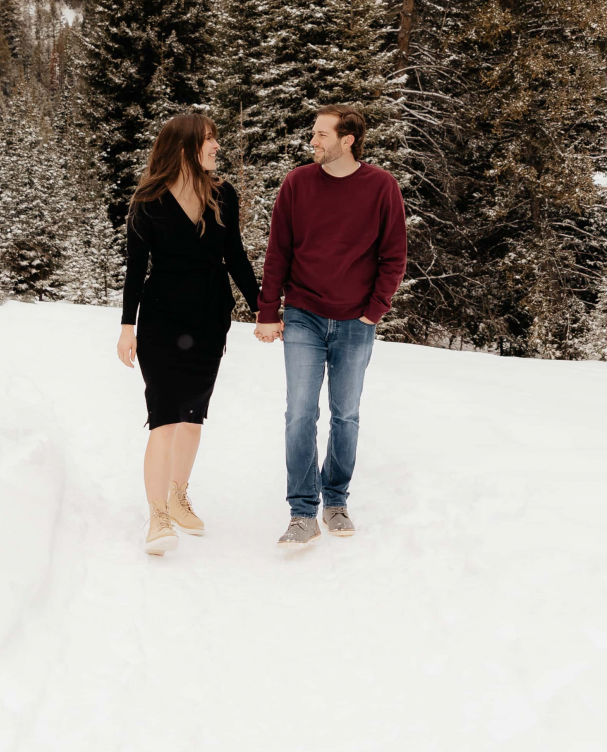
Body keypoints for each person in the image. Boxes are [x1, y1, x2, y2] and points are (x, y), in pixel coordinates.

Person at [255, 105, 406, 550]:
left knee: (346, 415)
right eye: (313, 134)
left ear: (348, 140)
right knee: (300, 413)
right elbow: (278, 251)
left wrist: (373, 311)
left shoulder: (381, 186)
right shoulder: (298, 183)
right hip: (302, 313)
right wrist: (268, 311)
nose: (313, 141)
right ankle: (303, 511)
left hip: (355, 321)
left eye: (321, 134)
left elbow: (393, 256)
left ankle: (336, 500)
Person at [117, 112, 260, 556]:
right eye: (209, 140)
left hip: (210, 318)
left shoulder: (223, 194)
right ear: (183, 147)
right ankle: (157, 514)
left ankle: (179, 496)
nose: (217, 147)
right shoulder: (148, 200)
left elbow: (235, 255)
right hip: (161, 320)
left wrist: (263, 308)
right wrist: (127, 327)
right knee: (163, 415)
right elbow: (136, 270)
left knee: (193, 413)